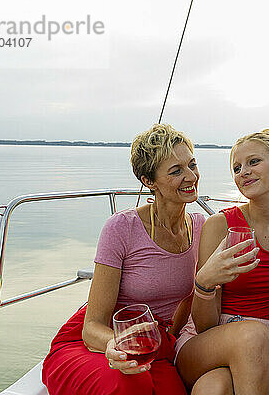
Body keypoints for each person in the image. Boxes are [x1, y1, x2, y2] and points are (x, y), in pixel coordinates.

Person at [43, 124, 209, 394]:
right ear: (148, 181)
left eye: (192, 164)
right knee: (130, 385)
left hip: (156, 344)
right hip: (99, 342)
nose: (191, 176)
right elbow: (92, 327)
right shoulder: (121, 228)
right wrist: (114, 346)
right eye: (176, 170)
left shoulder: (203, 227)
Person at [175, 129, 269, 395]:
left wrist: (266, 341)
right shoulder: (219, 225)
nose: (243, 171)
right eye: (237, 167)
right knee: (250, 338)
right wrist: (204, 283)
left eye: (253, 162)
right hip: (206, 339)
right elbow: (204, 326)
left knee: (212, 389)